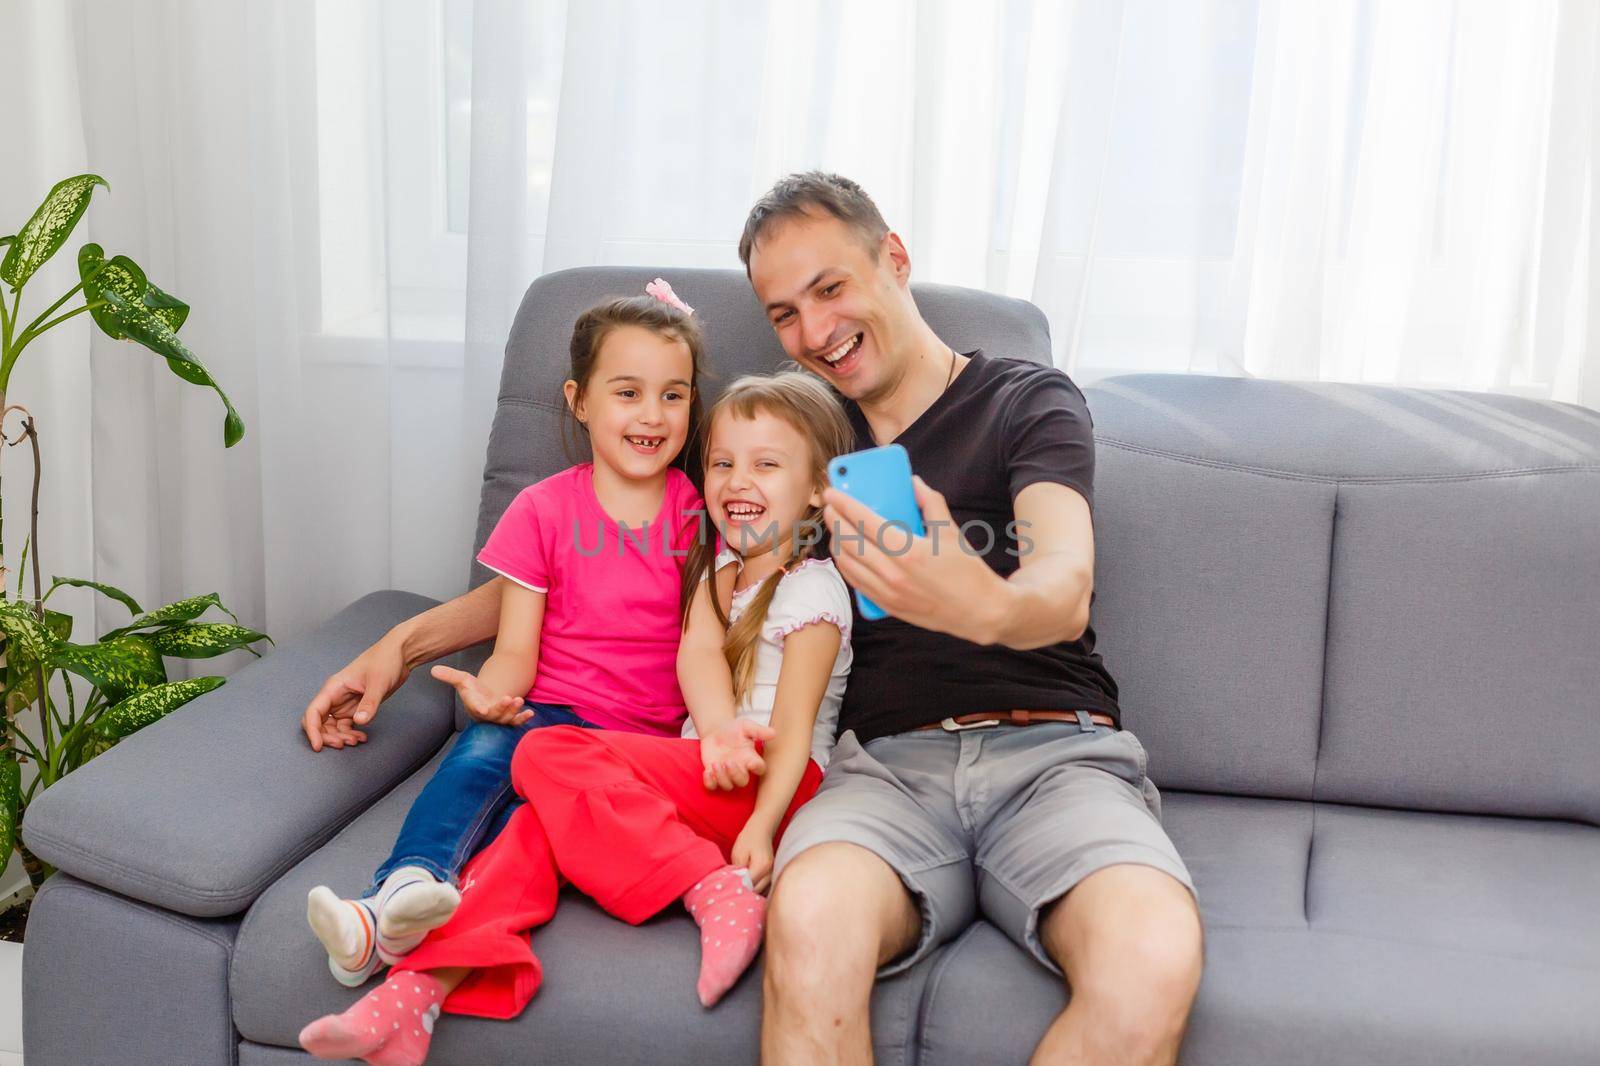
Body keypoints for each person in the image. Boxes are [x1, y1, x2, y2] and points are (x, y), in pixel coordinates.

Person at [303, 172, 1203, 1065]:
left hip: (1052, 749)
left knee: (1151, 962)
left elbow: (1064, 581)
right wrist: (403, 644)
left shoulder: (1021, 399)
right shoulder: (790, 441)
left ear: (894, 258)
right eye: (783, 313)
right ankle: (424, 971)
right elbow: (588, 567)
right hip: (878, 773)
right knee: (807, 941)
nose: (814, 333)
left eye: (831, 289)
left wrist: (983, 601)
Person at [298, 373, 857, 1066]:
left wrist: (763, 831)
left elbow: (798, 733)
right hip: (704, 778)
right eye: (722, 462)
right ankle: (411, 998)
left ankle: (711, 889)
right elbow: (700, 654)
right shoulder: (718, 570)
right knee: (533, 827)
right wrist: (713, 731)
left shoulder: (813, 590)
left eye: (766, 465)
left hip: (773, 782)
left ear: (815, 491)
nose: (738, 480)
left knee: (545, 754)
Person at [299, 281, 749, 987]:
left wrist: (718, 728)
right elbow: (515, 649)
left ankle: (424, 939)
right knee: (480, 755)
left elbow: (700, 647)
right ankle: (393, 897)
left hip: (634, 740)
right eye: (627, 392)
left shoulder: (697, 514)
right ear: (579, 400)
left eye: (674, 394)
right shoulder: (543, 511)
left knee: (536, 827)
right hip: (544, 712)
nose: (653, 415)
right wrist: (489, 698)